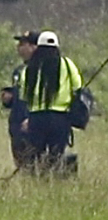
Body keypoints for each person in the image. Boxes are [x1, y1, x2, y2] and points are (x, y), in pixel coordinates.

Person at [20, 31, 82, 173]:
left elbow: (23, 95)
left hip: (36, 118)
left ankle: (40, 179)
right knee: (57, 153)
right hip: (60, 117)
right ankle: (55, 178)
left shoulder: (30, 69)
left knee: (37, 153)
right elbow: (78, 87)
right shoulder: (67, 64)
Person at [1, 31, 37, 168]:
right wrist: (8, 98)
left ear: (34, 47)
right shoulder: (19, 70)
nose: (19, 48)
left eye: (23, 44)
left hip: (29, 121)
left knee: (34, 161)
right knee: (20, 161)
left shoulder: (40, 70)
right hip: (16, 122)